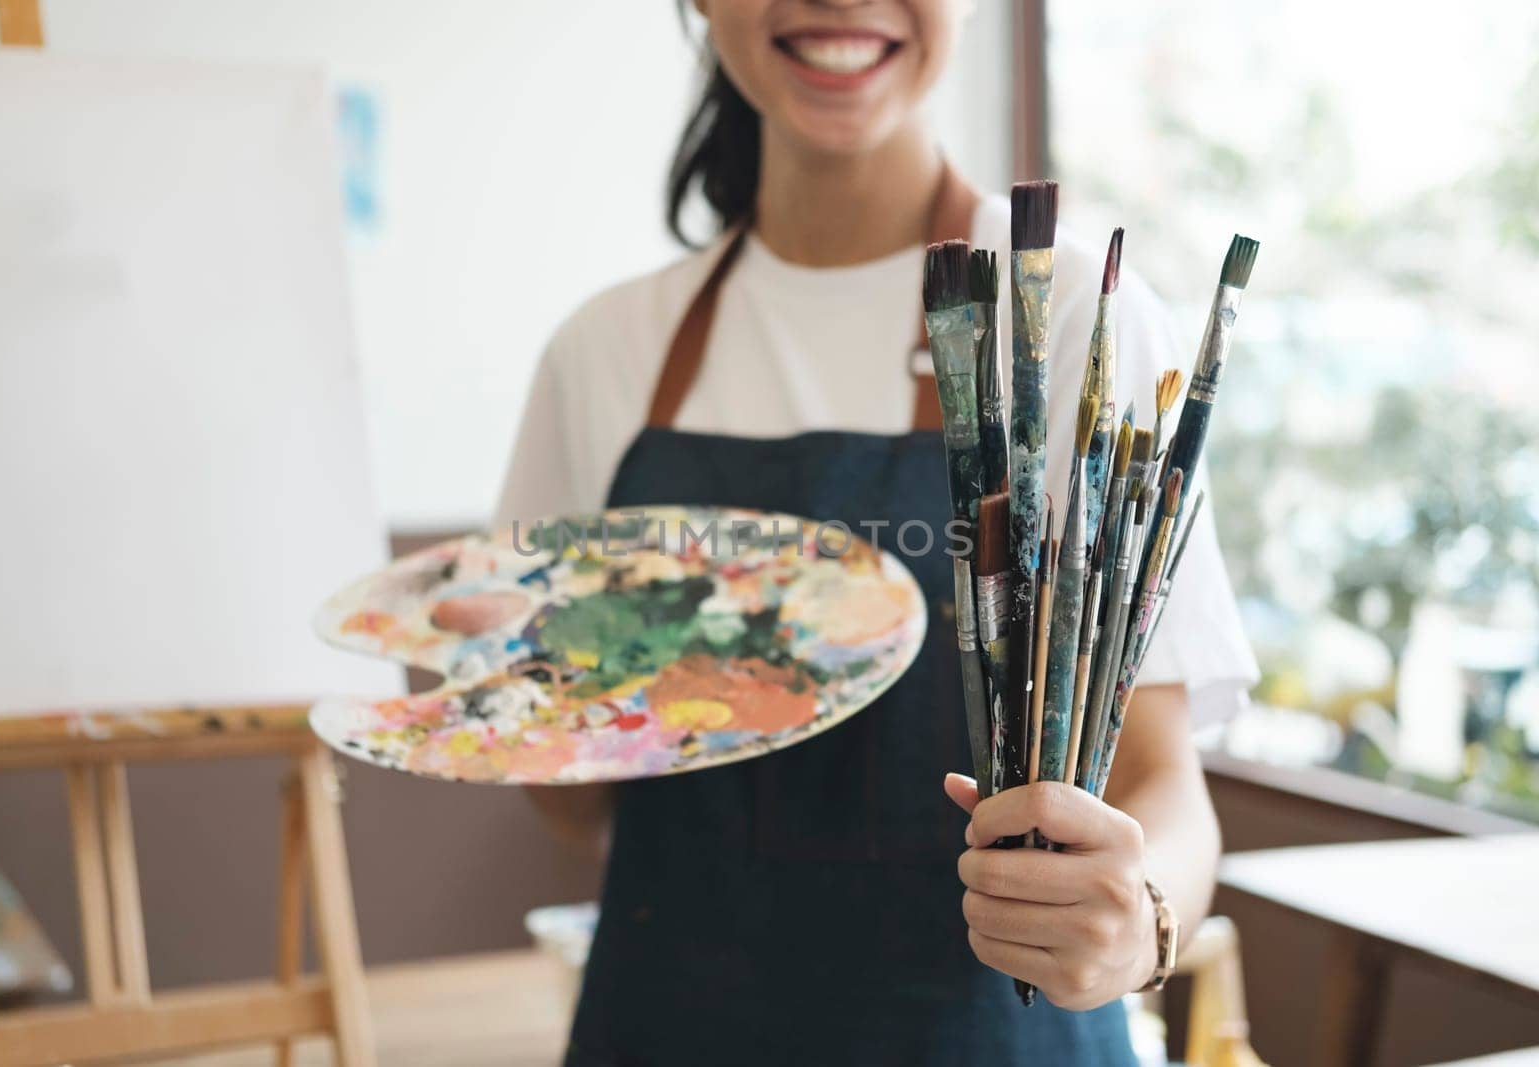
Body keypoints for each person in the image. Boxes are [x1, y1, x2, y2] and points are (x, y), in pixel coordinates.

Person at [495, 1, 1257, 1063]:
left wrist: (1139, 922)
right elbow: (567, 791)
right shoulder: (604, 352)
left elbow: (1165, 785)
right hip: (672, 1021)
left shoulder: (1073, 309)